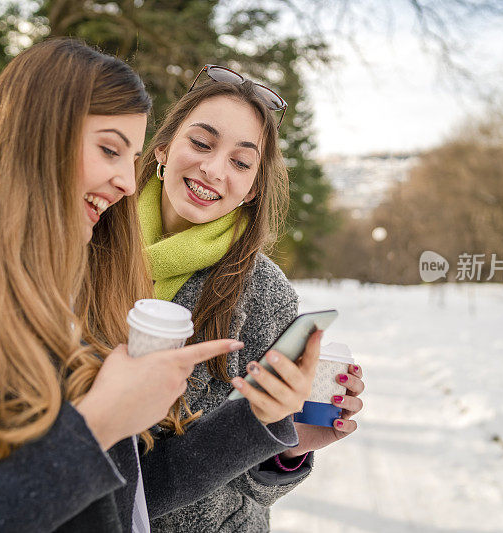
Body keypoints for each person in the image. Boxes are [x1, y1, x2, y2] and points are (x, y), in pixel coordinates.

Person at [0, 41, 320, 533]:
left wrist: (256, 419)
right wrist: (98, 425)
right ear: (36, 135)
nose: (127, 183)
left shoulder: (64, 291)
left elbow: (124, 494)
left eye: (241, 163)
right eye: (110, 149)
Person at [136, 66, 366, 532]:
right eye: (201, 143)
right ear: (163, 148)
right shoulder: (88, 242)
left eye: (241, 163)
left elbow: (254, 484)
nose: (214, 170)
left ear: (253, 187)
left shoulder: (263, 292)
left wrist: (291, 445)